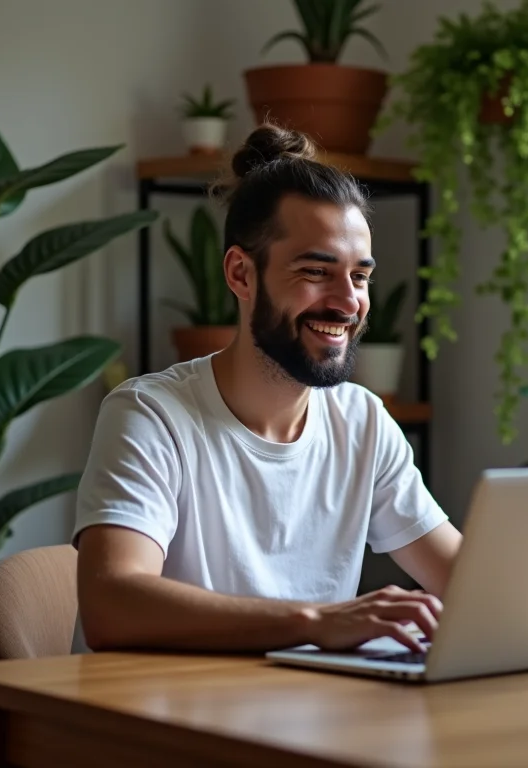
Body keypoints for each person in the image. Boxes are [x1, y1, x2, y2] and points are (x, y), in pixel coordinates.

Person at [70, 124, 462, 655]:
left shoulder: (362, 422)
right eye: (316, 271)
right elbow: (113, 605)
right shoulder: (150, 416)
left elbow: (468, 582)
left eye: (360, 277)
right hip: (166, 724)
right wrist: (316, 620)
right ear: (241, 274)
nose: (347, 303)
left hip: (311, 722)